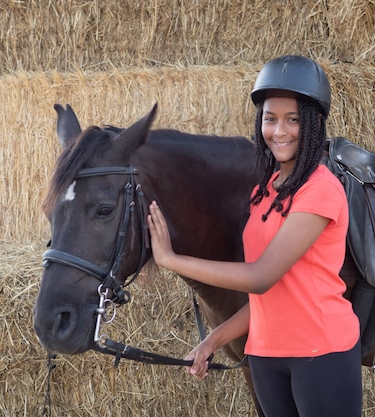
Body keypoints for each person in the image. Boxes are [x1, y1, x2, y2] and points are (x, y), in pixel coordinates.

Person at [148, 54, 362, 417]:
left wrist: (171, 259)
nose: (279, 131)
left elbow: (261, 278)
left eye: (293, 120)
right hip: (264, 355)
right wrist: (212, 340)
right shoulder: (264, 191)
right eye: (270, 118)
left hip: (320, 354)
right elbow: (271, 299)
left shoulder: (321, 190)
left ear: (313, 124)